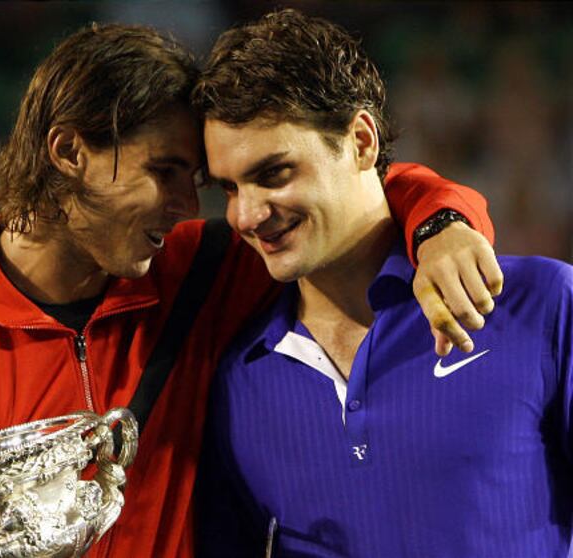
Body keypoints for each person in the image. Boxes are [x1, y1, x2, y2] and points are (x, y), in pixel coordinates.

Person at [0, 22, 501, 558]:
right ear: (69, 151)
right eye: (163, 172)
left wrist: (442, 225)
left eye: (197, 182)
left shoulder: (199, 273)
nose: (188, 207)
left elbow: (357, 196)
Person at [193, 9, 572, 557]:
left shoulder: (541, 306)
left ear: (361, 141)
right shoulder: (237, 379)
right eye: (229, 189)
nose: (246, 216)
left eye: (274, 174)